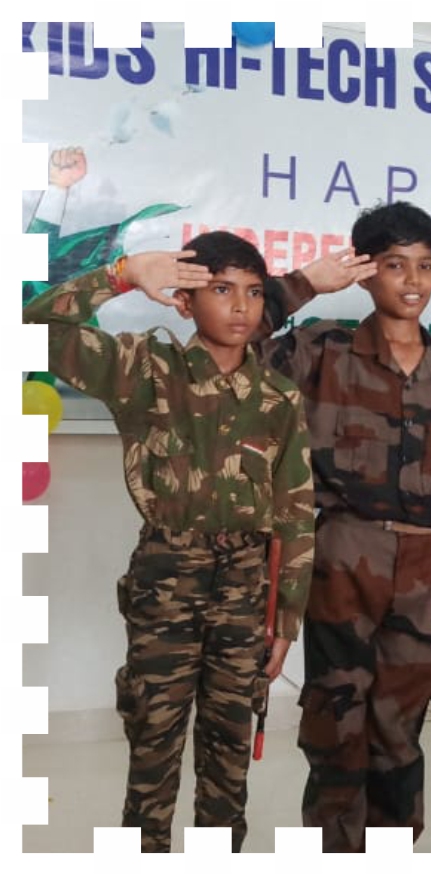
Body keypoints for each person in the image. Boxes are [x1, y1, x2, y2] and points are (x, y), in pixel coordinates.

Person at [23, 230, 322, 853]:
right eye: (221, 289)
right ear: (185, 301)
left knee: (228, 752)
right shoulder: (145, 369)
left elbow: (295, 512)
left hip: (246, 586)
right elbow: (32, 330)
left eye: (253, 292)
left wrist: (286, 619)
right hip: (167, 578)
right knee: (153, 745)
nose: (240, 306)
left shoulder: (279, 398)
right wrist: (123, 273)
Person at [255, 201, 431, 852]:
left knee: (400, 730)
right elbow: (233, 344)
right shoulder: (321, 349)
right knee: (334, 725)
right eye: (394, 265)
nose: (412, 281)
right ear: (365, 272)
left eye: (424, 265)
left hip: (422, 573)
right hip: (340, 558)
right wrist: (305, 283)